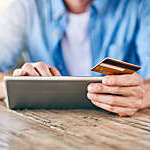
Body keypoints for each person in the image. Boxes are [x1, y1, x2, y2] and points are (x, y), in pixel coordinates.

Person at [0, 0, 150, 117]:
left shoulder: (141, 5)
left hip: (121, 126)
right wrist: (15, 86)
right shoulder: (24, 8)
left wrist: (140, 95)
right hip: (46, 126)